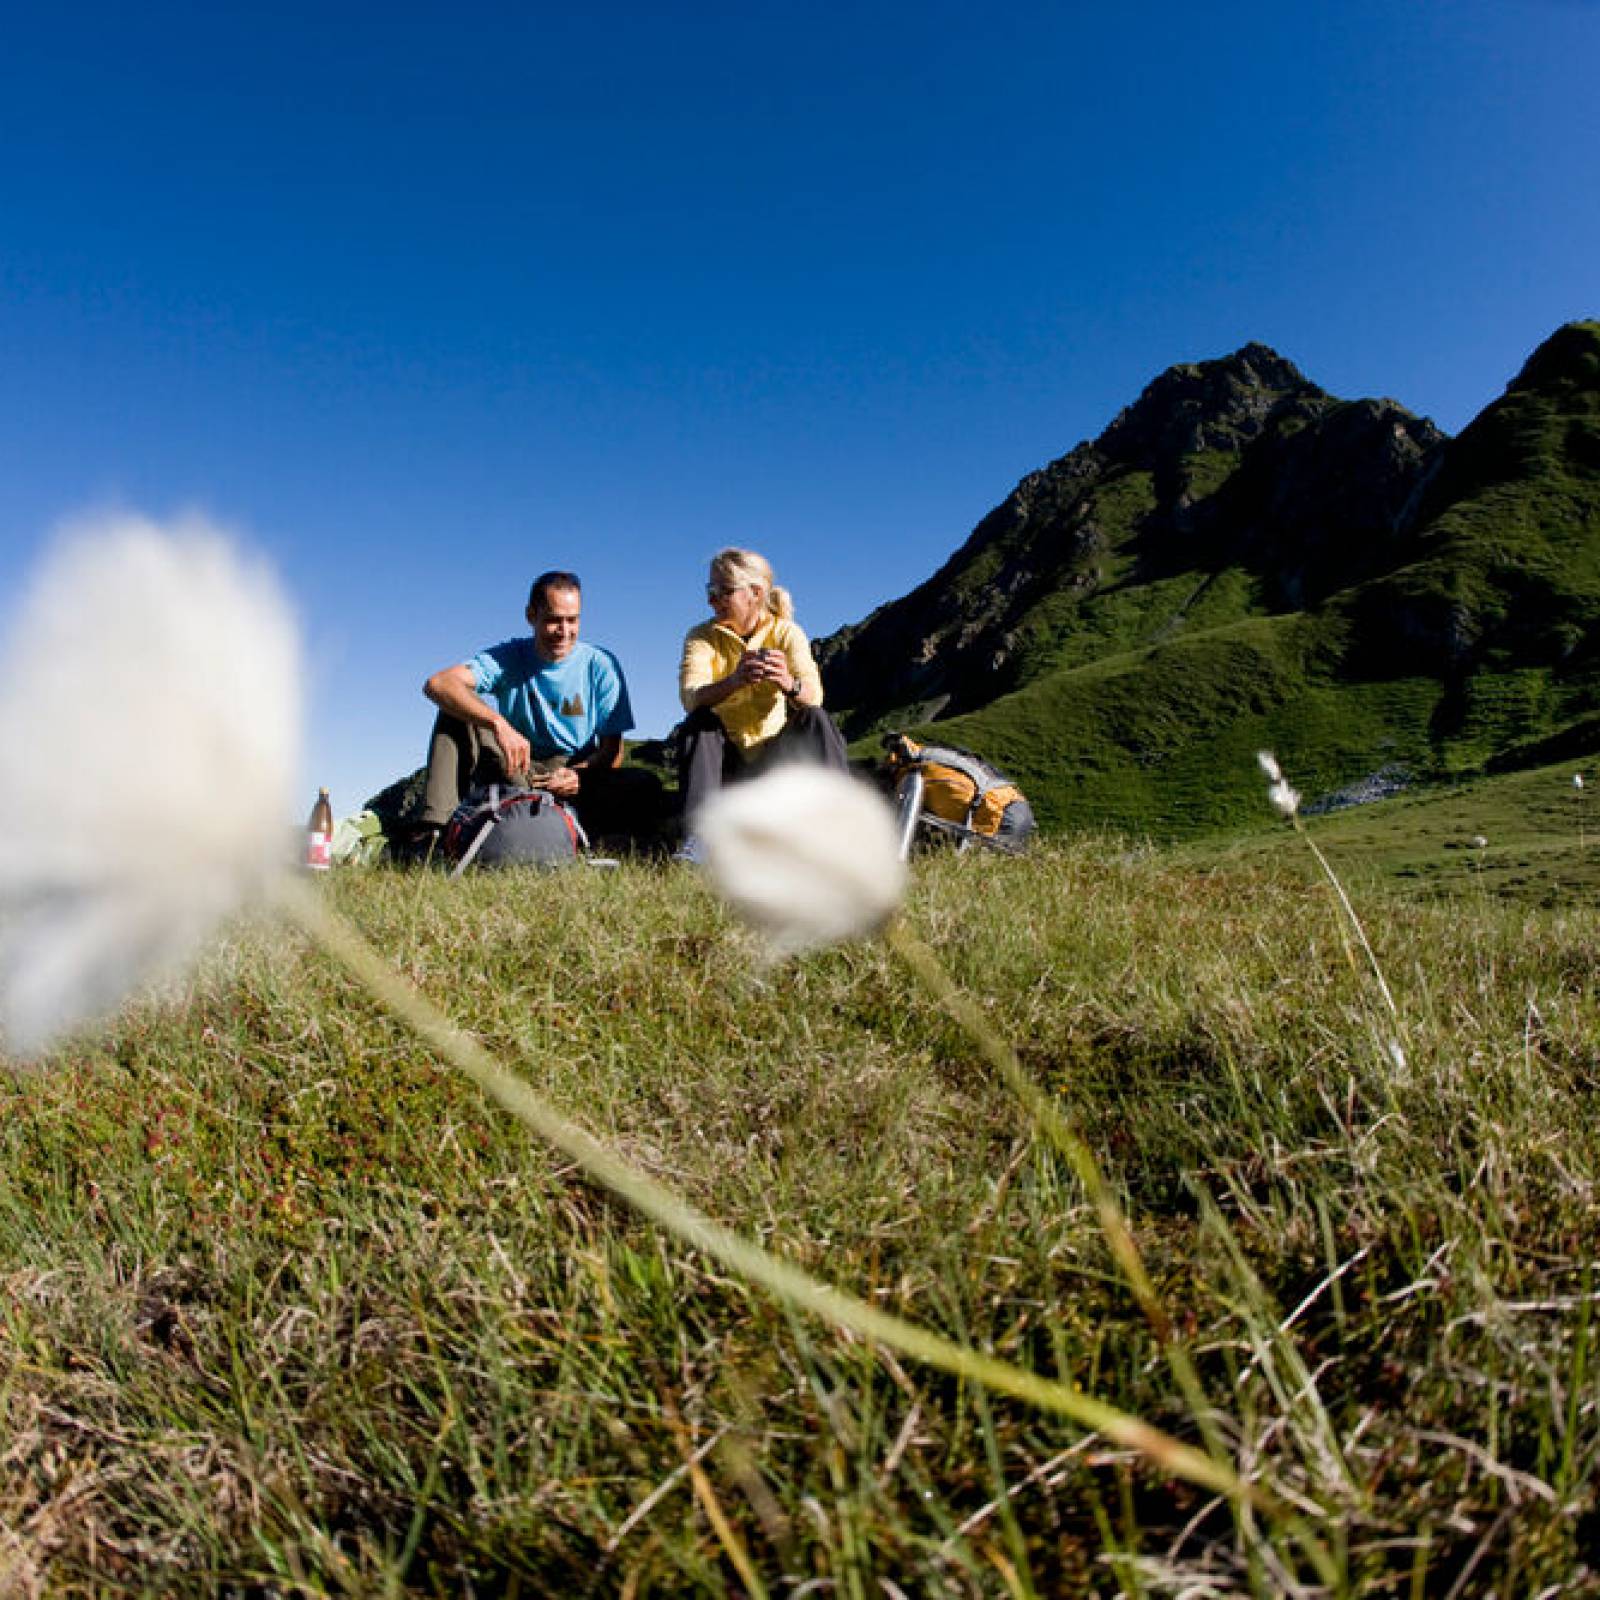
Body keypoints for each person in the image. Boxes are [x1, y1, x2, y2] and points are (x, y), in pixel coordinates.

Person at [409, 570, 661, 856]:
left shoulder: (600, 665)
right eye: (553, 620)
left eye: (572, 620)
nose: (564, 632)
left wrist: (578, 776)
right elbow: (438, 684)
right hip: (517, 768)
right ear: (531, 615)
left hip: (575, 772)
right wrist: (499, 724)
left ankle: (589, 834)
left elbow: (611, 753)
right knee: (454, 710)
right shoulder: (509, 657)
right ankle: (432, 835)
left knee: (645, 783)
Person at [674, 548, 850, 852]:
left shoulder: (787, 633)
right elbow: (690, 697)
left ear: (754, 593)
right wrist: (733, 681)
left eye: (722, 591)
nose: (712, 600)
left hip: (773, 758)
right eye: (710, 590)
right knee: (699, 722)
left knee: (815, 718)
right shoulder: (701, 637)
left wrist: (788, 684)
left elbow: (814, 694)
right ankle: (698, 841)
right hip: (725, 759)